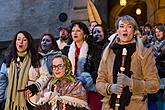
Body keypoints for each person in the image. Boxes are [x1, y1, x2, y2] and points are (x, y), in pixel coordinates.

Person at [96, 15, 160, 110]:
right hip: (109, 106)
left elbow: (154, 85)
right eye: (121, 26)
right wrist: (110, 88)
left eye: (129, 26)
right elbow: (99, 82)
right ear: (117, 31)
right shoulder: (108, 52)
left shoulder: (144, 53)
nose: (125, 30)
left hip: (136, 106)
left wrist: (131, 83)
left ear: (134, 31)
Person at [3, 31, 50, 110]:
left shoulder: (37, 58)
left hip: (32, 99)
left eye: (24, 40)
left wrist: (35, 86)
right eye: (18, 39)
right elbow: (2, 80)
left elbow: (46, 75)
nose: (21, 42)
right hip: (12, 100)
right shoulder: (9, 59)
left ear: (29, 43)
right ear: (15, 42)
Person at [152, 25, 165, 110]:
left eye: (160, 31)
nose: (158, 33)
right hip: (155, 75)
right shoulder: (152, 44)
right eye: (156, 32)